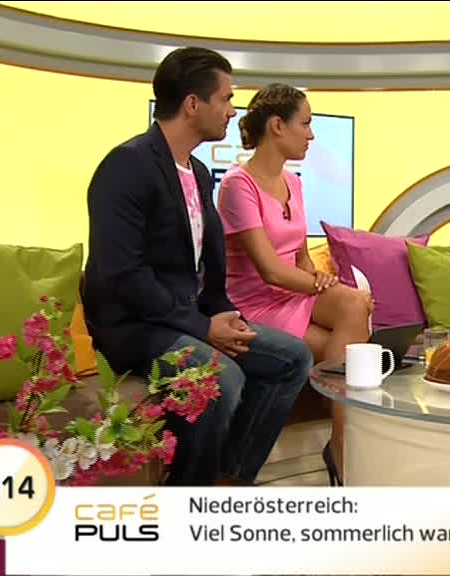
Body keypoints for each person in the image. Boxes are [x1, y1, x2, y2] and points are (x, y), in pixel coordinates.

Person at [83, 47, 312, 486]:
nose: (232, 111)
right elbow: (123, 274)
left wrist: (222, 312)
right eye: (225, 99)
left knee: (292, 357)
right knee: (220, 378)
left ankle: (229, 482)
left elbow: (206, 265)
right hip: (134, 327)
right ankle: (187, 500)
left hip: (186, 318)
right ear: (193, 104)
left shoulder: (201, 172)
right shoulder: (127, 166)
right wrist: (202, 327)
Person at [217, 83, 372, 486]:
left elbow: (300, 257)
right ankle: (342, 449)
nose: (311, 134)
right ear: (277, 126)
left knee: (354, 310)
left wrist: (320, 278)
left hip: (292, 292)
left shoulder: (295, 182)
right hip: (254, 301)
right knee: (347, 334)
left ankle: (341, 442)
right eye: (305, 124)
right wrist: (319, 285)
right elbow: (270, 270)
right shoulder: (237, 185)